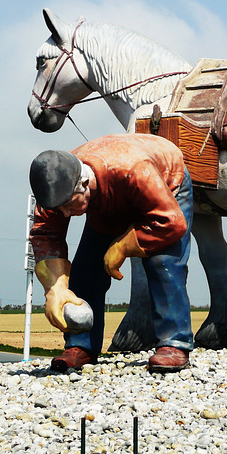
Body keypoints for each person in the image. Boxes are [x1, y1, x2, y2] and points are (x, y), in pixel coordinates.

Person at [29, 133, 194, 373]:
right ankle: (81, 345)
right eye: (59, 208)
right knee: (86, 270)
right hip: (110, 200)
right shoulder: (54, 187)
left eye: (69, 205)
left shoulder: (135, 169)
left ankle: (174, 343)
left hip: (164, 186)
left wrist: (123, 246)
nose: (64, 214)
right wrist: (55, 289)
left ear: (84, 184)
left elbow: (171, 222)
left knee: (163, 264)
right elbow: (45, 234)